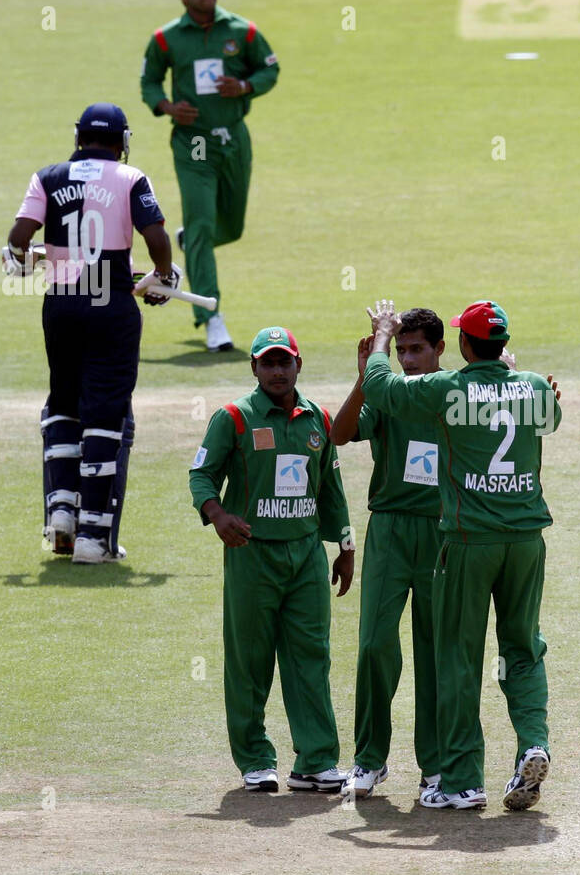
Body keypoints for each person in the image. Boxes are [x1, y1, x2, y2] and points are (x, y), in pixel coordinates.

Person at [361, 299, 561, 812]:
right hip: (526, 540)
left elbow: (381, 388)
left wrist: (383, 338)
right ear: (504, 345)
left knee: (456, 657)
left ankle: (461, 780)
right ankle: (533, 742)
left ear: (466, 347)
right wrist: (518, 378)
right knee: (522, 649)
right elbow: (551, 415)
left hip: (469, 542)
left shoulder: (449, 388)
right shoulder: (534, 386)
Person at [4, 102, 173, 564]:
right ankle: (93, 537)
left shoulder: (48, 176)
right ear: (122, 142)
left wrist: (23, 258)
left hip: (61, 307)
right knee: (104, 414)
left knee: (62, 402)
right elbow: (156, 236)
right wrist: (164, 274)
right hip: (111, 309)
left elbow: (19, 237)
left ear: (79, 137)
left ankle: (61, 510)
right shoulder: (130, 178)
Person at [189, 326, 354, 794]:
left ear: (298, 365)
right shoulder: (234, 419)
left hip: (305, 556)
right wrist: (217, 513)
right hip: (251, 555)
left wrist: (345, 547)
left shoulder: (319, 418)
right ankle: (256, 759)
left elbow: (331, 488)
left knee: (311, 657)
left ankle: (316, 761)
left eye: (285, 362)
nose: (277, 371)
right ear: (254, 368)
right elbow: (201, 475)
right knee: (250, 660)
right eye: (268, 362)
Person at [329, 309, 447, 800]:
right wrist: (363, 378)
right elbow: (339, 433)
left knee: (436, 652)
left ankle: (437, 767)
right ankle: (369, 760)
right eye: (401, 351)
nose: (409, 359)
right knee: (376, 644)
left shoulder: (453, 392)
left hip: (443, 533)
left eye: (417, 349)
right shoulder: (388, 393)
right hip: (389, 532)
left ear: (439, 349)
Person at [140, 0, 279, 353]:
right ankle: (211, 316)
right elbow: (148, 81)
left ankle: (194, 242)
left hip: (233, 138)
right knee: (201, 222)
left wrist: (245, 86)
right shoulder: (166, 39)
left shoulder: (242, 30)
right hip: (193, 143)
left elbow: (270, 70)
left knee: (231, 227)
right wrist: (167, 107)